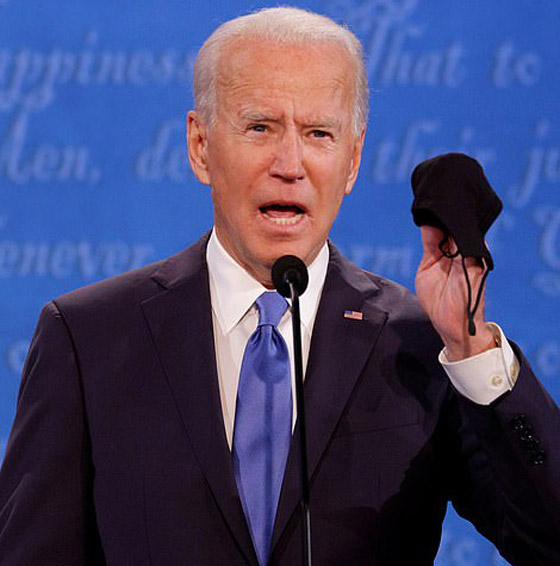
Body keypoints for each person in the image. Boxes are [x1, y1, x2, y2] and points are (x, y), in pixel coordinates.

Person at [0, 7, 558, 565]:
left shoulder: (419, 345)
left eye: (319, 133)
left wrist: (471, 347)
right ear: (200, 145)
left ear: (352, 160)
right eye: (260, 127)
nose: (290, 164)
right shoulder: (87, 339)